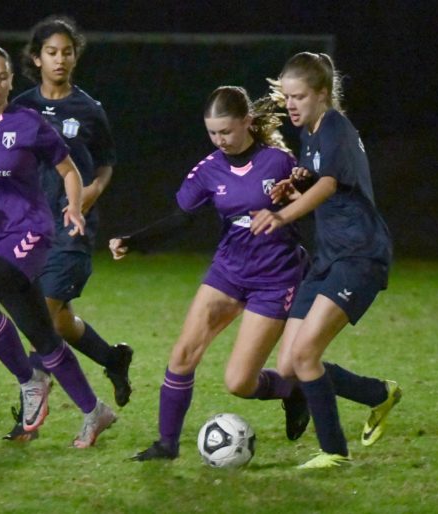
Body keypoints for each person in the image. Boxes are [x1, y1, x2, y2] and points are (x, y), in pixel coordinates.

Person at [110, 85, 312, 461]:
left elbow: (309, 208)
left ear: (248, 122)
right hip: (229, 271)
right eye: (212, 133)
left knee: (239, 382)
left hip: (275, 278)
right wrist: (134, 240)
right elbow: (180, 220)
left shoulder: (279, 162)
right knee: (183, 354)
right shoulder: (209, 170)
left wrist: (292, 205)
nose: (220, 140)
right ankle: (166, 445)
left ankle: (292, 390)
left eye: (227, 132)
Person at [0, 45, 116, 448]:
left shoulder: (27, 121)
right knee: (43, 333)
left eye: (1, 77)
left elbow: (68, 170)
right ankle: (94, 412)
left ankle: (30, 381)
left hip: (30, 230)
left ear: (11, 82)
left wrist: (74, 206)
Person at [250, 52, 402, 469]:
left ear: (322, 94)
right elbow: (325, 189)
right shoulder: (313, 133)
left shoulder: (334, 126)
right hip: (329, 257)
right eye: (287, 97)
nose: (291, 105)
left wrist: (282, 214)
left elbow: (331, 185)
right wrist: (295, 191)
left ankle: (333, 451)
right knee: (289, 366)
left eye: (298, 96)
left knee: (305, 356)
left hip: (359, 255)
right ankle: (378, 395)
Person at [2, 16, 132, 442]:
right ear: (36, 58)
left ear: (76, 56)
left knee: (41, 315)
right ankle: (111, 358)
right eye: (51, 52)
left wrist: (94, 188)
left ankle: (31, 416)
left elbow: (108, 160)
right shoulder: (20, 107)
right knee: (57, 321)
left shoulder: (89, 110)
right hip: (29, 229)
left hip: (73, 228)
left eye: (67, 51)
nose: (60, 59)